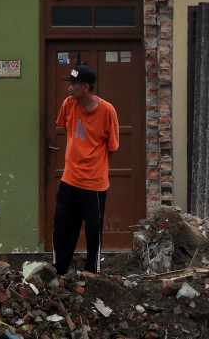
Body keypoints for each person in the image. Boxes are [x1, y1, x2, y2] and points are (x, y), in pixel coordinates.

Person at [52, 64, 120, 275]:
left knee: (93, 229)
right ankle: (59, 270)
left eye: (73, 84)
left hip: (94, 183)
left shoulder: (107, 110)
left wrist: (94, 165)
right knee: (62, 226)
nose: (69, 88)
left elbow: (112, 147)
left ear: (85, 87)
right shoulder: (68, 104)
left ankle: (92, 270)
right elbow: (67, 129)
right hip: (69, 178)